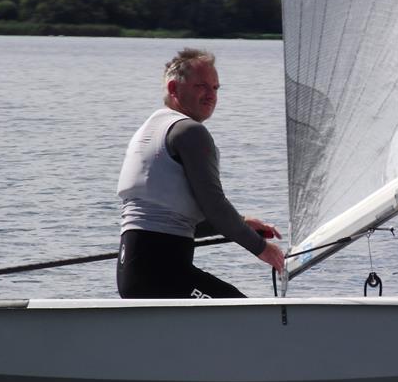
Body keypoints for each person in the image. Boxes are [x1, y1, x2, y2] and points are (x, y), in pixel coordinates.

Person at [116, 48, 285, 298]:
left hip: (135, 274)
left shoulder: (151, 128)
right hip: (162, 273)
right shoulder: (189, 132)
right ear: (174, 89)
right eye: (201, 86)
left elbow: (173, 220)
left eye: (216, 88)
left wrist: (242, 223)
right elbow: (215, 206)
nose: (211, 95)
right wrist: (262, 249)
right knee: (247, 318)